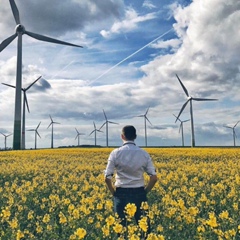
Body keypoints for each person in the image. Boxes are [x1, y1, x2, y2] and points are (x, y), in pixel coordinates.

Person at [104, 125, 158, 235]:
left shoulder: (115, 153)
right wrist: (145, 192)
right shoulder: (144, 154)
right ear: (135, 136)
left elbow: (107, 177)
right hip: (139, 193)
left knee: (121, 231)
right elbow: (154, 177)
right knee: (145, 231)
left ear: (122, 136)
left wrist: (114, 193)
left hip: (121, 193)